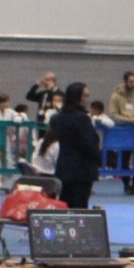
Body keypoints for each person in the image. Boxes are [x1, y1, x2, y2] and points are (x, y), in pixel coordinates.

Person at [40, 82, 101, 211]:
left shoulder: (57, 118)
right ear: (77, 97)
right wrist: (98, 159)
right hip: (82, 170)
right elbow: (89, 144)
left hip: (63, 168)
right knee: (79, 207)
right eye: (85, 96)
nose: (87, 99)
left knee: (64, 206)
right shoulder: (82, 118)